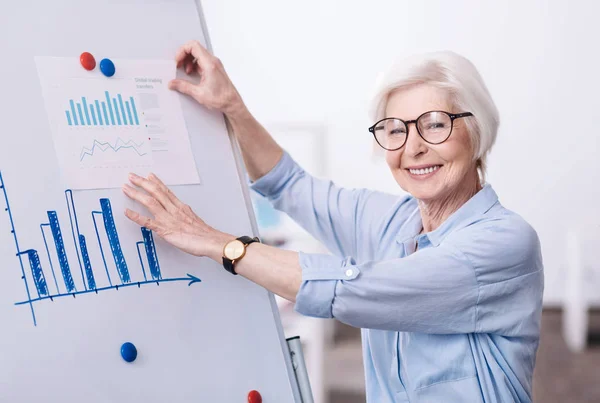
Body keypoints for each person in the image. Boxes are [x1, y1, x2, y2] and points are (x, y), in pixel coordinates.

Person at [122, 40, 544, 403]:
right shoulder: (393, 222)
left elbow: (357, 289)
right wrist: (231, 106)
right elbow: (288, 184)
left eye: (435, 125)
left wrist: (219, 243)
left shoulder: (504, 243)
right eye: (395, 130)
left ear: (477, 132)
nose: (413, 147)